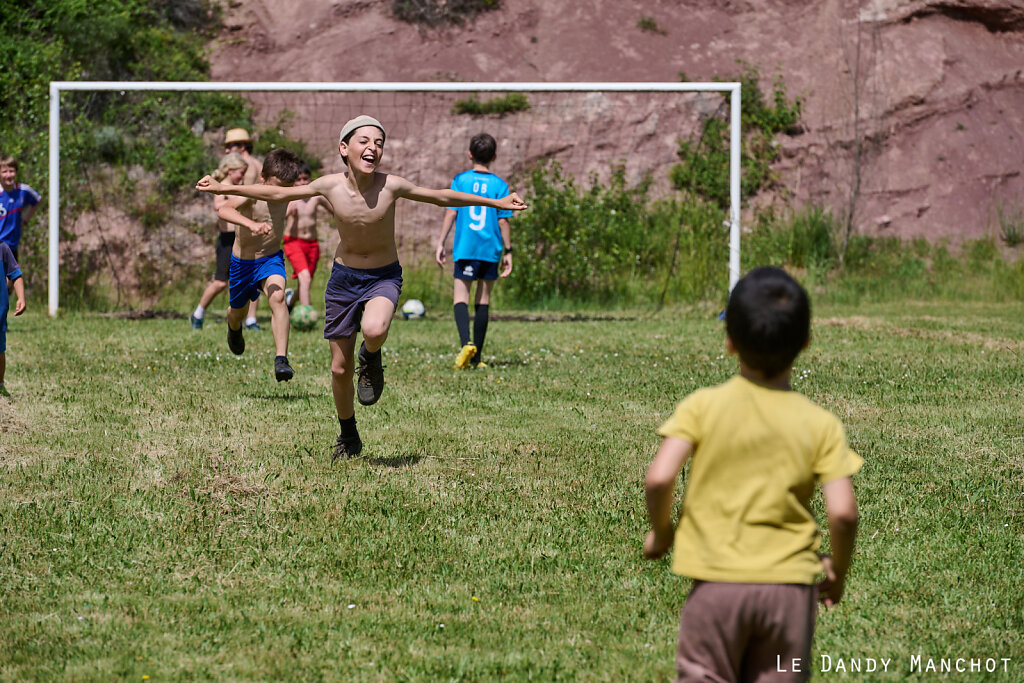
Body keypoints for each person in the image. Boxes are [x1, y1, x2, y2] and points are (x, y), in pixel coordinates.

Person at [196, 115, 527, 461]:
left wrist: (498, 204)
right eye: (364, 141)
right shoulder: (329, 185)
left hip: (384, 275)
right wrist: (223, 189)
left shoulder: (392, 185)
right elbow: (276, 191)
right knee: (339, 370)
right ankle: (349, 434)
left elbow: (441, 197)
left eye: (379, 142)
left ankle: (370, 356)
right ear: (344, 148)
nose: (373, 148)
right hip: (343, 280)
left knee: (374, 328)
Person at [643, 266, 862, 683]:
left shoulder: (702, 406)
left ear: (729, 341)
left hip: (714, 587)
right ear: (805, 342)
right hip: (790, 594)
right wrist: (838, 570)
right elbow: (843, 513)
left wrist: (661, 531)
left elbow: (659, 477)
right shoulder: (821, 424)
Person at [204, 147, 302, 382]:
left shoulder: (287, 193)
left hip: (270, 259)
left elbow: (322, 188)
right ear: (263, 178)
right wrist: (250, 224)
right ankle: (234, 328)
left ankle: (281, 360)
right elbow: (224, 210)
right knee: (237, 312)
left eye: (285, 189)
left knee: (277, 297)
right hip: (243, 263)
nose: (279, 193)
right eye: (275, 186)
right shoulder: (252, 193)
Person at [434, 133, 513, 370]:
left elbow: (451, 212)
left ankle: (465, 344)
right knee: (483, 300)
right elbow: (503, 221)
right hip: (490, 249)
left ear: (470, 154)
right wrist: (509, 251)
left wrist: (441, 242)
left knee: (461, 297)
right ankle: (477, 358)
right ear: (494, 156)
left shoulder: (461, 180)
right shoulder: (500, 185)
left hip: (465, 247)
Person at [189, 153, 260, 330]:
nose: (242, 177)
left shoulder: (240, 187)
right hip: (227, 241)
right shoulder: (222, 187)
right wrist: (234, 197)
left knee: (252, 279)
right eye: (240, 173)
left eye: (244, 173)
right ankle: (198, 313)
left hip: (243, 239)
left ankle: (250, 320)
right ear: (230, 171)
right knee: (221, 282)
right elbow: (218, 206)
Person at [223, 128, 264, 331]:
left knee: (250, 273)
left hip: (248, 225)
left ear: (242, 146)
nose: (228, 151)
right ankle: (248, 318)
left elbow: (245, 197)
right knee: (252, 274)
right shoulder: (255, 164)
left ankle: (247, 318)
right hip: (250, 223)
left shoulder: (248, 166)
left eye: (230, 146)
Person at [283, 162, 330, 309]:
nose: (302, 182)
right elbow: (276, 218)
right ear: (293, 181)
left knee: (306, 281)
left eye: (305, 179)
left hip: (312, 244)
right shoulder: (289, 198)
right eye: (299, 179)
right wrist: (287, 213)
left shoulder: (316, 197)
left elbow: (335, 210)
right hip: (293, 241)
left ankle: (290, 300)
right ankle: (306, 314)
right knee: (305, 278)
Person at [0, 154, 42, 262]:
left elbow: (37, 200)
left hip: (12, 246)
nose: (8, 175)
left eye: (11, 171)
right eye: (5, 172)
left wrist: (25, 219)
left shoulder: (23, 191)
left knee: (8, 278)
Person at [0, 241, 25, 397]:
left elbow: (15, 274)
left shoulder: (2, 248)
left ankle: (0, 384)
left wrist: (21, 297)